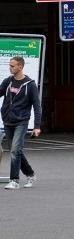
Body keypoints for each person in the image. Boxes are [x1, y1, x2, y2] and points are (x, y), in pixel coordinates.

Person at [1, 57, 42, 189]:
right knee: (16, 151)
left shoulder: (30, 84)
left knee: (14, 150)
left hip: (21, 121)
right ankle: (30, 174)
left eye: (12, 66)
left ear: (20, 67)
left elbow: (37, 106)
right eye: (10, 65)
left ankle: (14, 180)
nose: (10, 68)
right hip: (8, 120)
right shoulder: (8, 81)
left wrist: (37, 126)